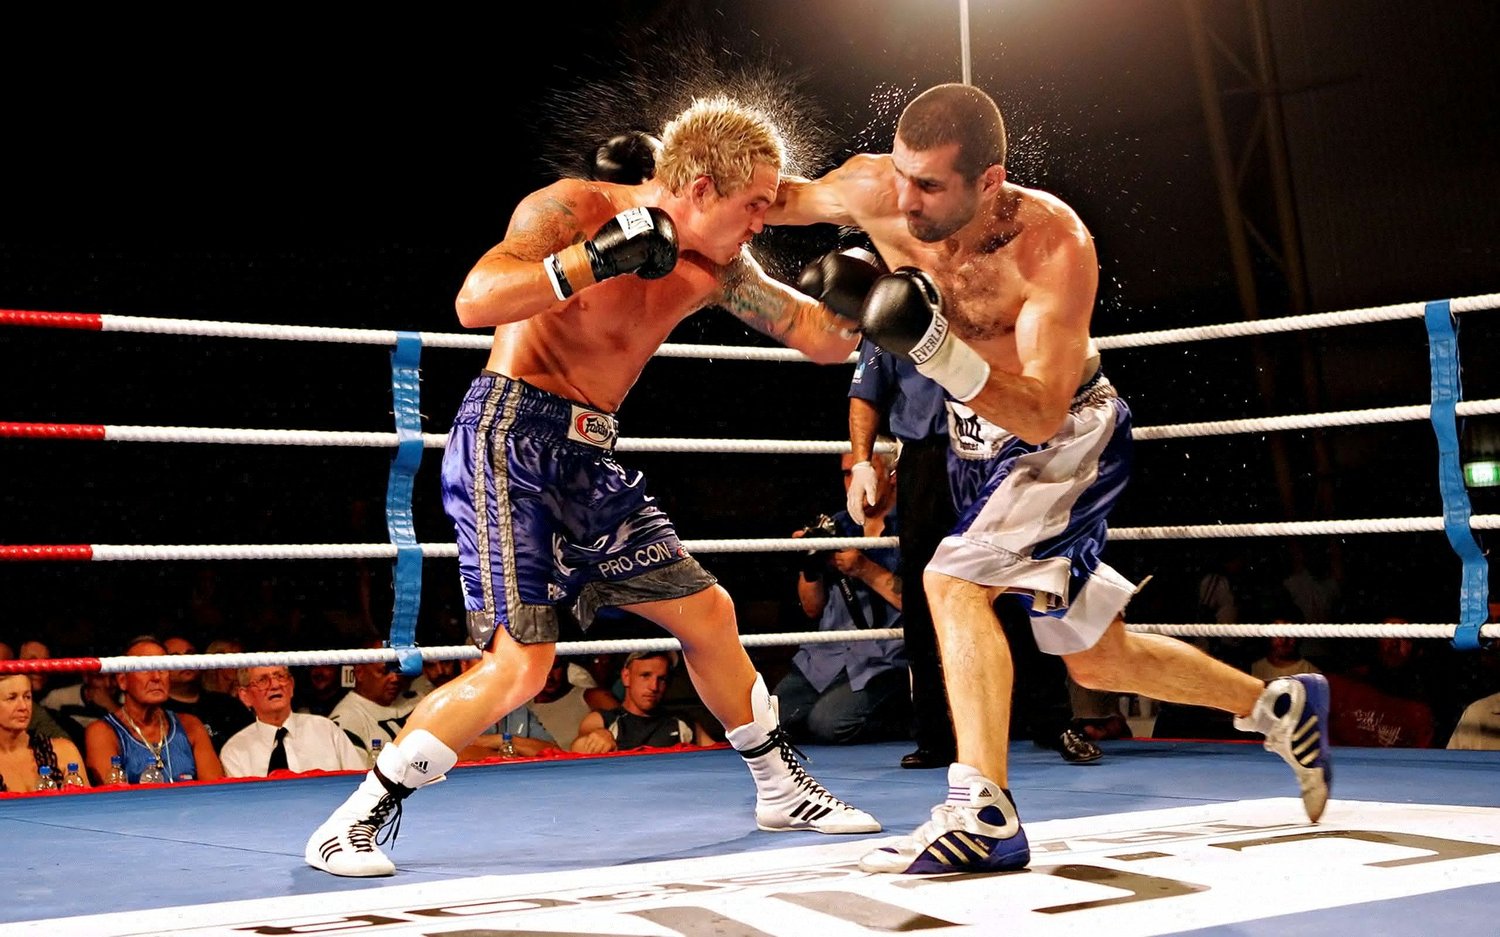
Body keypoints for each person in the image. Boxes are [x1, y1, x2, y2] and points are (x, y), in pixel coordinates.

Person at [304, 94, 877, 878]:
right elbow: (475, 299)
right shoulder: (575, 208)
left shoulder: (718, 268)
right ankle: (355, 818)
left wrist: (867, 294)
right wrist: (591, 260)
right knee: (521, 665)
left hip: (590, 461)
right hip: (509, 439)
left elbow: (818, 337)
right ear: (700, 187)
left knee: (708, 612)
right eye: (752, 204)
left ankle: (781, 790)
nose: (760, 223)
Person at [770, 82, 1331, 874]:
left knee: (951, 581)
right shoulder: (878, 189)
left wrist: (930, 348)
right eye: (901, 174)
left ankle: (983, 812)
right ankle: (1279, 705)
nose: (907, 198)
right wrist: (669, 191)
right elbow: (774, 199)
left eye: (929, 184)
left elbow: (1039, 412)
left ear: (989, 180)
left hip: (1065, 436)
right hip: (975, 447)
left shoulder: (1052, 245)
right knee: (1096, 657)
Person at [774, 447, 911, 746]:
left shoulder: (912, 527)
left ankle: (910, 719)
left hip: (885, 660)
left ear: (892, 476)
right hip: (827, 655)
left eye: (864, 471)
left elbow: (921, 606)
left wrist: (865, 569)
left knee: (828, 725)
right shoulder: (836, 526)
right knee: (773, 722)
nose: (854, 482)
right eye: (847, 474)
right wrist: (809, 565)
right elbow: (812, 609)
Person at [84, 638, 225, 785]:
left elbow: (215, 790)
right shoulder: (103, 732)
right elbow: (113, 795)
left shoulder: (191, 726)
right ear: (123, 680)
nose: (156, 677)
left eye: (162, 668)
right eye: (145, 668)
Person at [219, 666, 367, 777]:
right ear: (245, 696)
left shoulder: (326, 730)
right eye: (262, 680)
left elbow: (360, 784)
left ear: (291, 685)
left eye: (280, 676)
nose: (275, 685)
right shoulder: (235, 751)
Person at [573, 651, 715, 752]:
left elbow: (716, 756)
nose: (654, 686)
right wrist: (597, 737)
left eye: (661, 679)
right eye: (645, 675)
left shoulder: (682, 722)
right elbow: (577, 747)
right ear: (626, 677)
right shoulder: (603, 720)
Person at [0, 673, 89, 792]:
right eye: (12, 698)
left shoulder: (64, 752)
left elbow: (88, 802)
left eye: (27, 697)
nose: (23, 707)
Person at [327, 656, 418, 760]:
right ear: (360, 673)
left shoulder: (417, 700)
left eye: (398, 671)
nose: (395, 678)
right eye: (384, 671)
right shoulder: (347, 720)